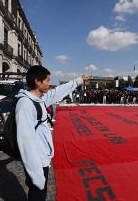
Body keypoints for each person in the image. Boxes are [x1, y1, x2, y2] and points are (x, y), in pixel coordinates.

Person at [15, 65, 89, 201]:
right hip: (36, 160)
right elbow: (25, 141)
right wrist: (36, 175)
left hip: (43, 156)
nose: (50, 84)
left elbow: (58, 92)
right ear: (37, 81)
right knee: (37, 194)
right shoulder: (25, 104)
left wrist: (79, 81)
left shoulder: (40, 99)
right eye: (48, 81)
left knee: (39, 195)